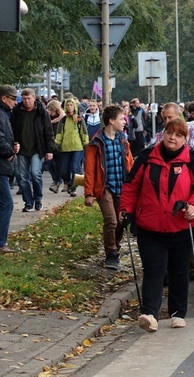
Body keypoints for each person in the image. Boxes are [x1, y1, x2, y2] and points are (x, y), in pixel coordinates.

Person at [120, 118, 194, 332]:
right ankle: (149, 314)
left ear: (185, 139)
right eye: (170, 132)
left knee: (179, 271)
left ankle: (178, 313)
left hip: (181, 226)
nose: (173, 138)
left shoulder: (193, 159)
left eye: (179, 135)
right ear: (163, 134)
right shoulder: (147, 156)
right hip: (150, 226)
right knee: (154, 270)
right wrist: (126, 209)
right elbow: (131, 186)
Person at [84, 104, 134, 270]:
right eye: (121, 119)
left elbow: (130, 163)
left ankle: (115, 244)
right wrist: (89, 193)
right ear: (111, 121)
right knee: (111, 220)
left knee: (122, 220)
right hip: (104, 187)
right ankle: (111, 253)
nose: (124, 122)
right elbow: (90, 170)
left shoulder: (123, 140)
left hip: (122, 186)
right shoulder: (96, 143)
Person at [10, 88, 55, 212]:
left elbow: (48, 131)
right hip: (21, 149)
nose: (26, 101)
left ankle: (38, 198)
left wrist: (49, 149)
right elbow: (12, 129)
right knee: (23, 178)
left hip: (37, 149)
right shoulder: (17, 112)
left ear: (34, 98)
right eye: (24, 98)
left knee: (36, 174)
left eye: (29, 98)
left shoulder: (41, 112)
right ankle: (28, 202)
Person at [0, 85, 21, 253]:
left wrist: (13, 146)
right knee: (6, 203)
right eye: (13, 99)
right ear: (4, 98)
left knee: (0, 204)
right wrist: (9, 152)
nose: (15, 103)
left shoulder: (3, 113)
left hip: (1, 165)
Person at [55, 98, 89, 197]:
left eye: (71, 105)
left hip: (77, 148)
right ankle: (68, 183)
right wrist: (56, 144)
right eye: (68, 105)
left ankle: (74, 187)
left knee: (75, 167)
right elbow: (59, 133)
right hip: (65, 148)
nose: (69, 107)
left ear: (74, 106)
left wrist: (86, 144)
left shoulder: (79, 119)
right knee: (65, 170)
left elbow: (84, 133)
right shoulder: (63, 120)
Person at [46, 100, 65, 194]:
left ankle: (57, 182)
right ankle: (56, 180)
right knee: (49, 164)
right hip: (50, 144)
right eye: (49, 110)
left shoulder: (63, 118)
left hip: (60, 144)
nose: (50, 112)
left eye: (51, 110)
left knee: (59, 164)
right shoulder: (47, 118)